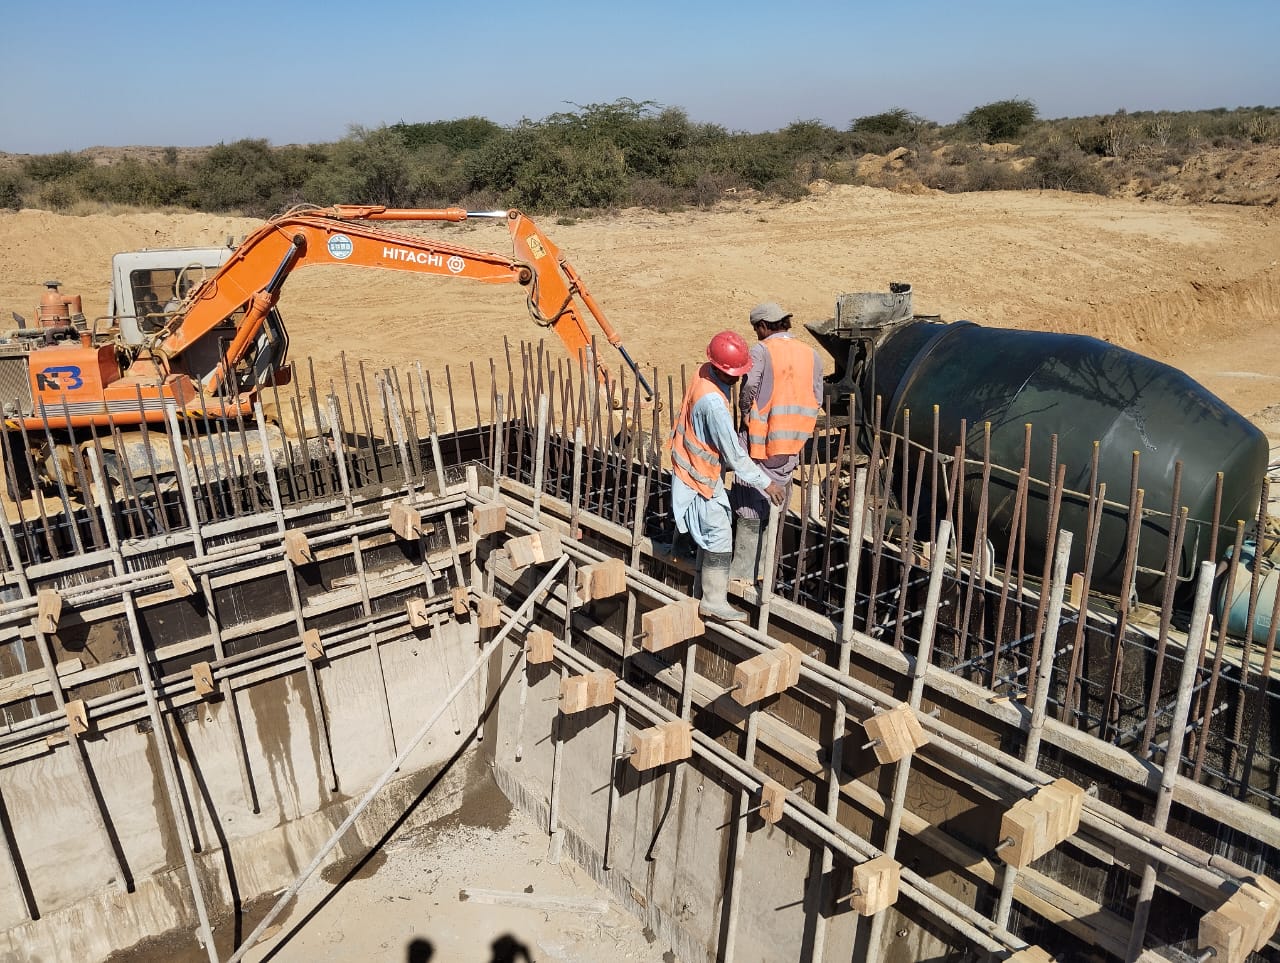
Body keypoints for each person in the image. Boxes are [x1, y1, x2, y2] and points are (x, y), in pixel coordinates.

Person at [669, 331, 787, 622]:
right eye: (737, 373)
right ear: (725, 370)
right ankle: (713, 601)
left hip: (686, 465)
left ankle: (681, 548)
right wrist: (766, 483)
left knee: (691, 517)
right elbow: (735, 456)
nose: (739, 379)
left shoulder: (703, 373)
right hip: (701, 477)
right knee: (719, 535)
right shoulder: (714, 405)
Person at [729, 302, 824, 583]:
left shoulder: (762, 351)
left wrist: (746, 412)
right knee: (777, 499)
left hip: (762, 441)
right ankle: (765, 573)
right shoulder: (812, 354)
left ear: (763, 326)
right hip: (793, 443)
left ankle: (744, 572)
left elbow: (749, 388)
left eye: (756, 329)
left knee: (750, 499)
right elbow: (817, 396)